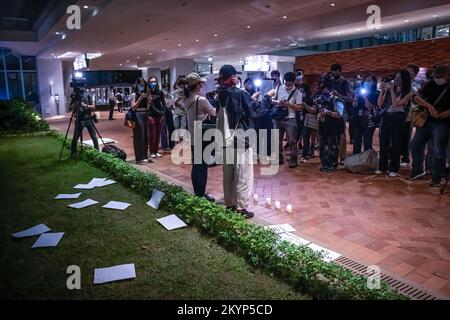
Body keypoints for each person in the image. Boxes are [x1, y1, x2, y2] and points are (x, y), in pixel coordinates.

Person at [215, 65, 263, 219]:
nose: (236, 78)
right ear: (232, 77)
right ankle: (241, 207)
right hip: (241, 139)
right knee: (243, 173)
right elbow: (255, 112)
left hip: (225, 139)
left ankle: (230, 204)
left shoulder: (219, 94)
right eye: (235, 75)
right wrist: (266, 98)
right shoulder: (240, 94)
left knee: (228, 173)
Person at [408, 64, 450, 187]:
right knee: (415, 144)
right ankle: (417, 170)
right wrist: (428, 105)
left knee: (438, 151)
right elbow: (416, 97)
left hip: (443, 123)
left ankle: (437, 177)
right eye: (436, 76)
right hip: (427, 122)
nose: (437, 79)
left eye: (440, 77)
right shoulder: (430, 84)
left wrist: (445, 113)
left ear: (447, 76)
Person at [182, 73, 217, 202]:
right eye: (201, 83)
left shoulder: (186, 99)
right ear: (197, 85)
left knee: (196, 165)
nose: (203, 85)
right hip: (202, 135)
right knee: (202, 166)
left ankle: (197, 192)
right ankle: (201, 194)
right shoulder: (201, 100)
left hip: (193, 134)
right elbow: (214, 112)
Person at [377, 70, 412, 177]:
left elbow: (396, 104)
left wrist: (391, 90)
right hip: (386, 117)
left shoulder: (409, 92)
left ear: (404, 80)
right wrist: (383, 91)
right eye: (396, 77)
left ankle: (393, 169)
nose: (396, 80)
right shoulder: (389, 89)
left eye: (399, 78)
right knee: (383, 143)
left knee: (396, 144)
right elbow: (379, 104)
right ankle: (382, 167)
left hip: (399, 118)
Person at [269, 72, 303, 168]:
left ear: (294, 82)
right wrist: (278, 102)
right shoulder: (279, 88)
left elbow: (300, 107)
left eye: (290, 83)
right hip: (277, 118)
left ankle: (293, 158)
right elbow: (271, 100)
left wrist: (289, 104)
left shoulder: (298, 92)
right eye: (286, 83)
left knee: (292, 140)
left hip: (290, 118)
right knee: (277, 139)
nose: (288, 85)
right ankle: (279, 157)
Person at [316, 74, 346, 173]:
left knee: (332, 146)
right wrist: (320, 114)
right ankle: (324, 163)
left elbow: (339, 114)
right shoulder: (322, 99)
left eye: (325, 88)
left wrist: (327, 112)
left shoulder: (337, 99)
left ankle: (332, 164)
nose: (323, 91)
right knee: (322, 146)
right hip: (323, 126)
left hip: (334, 127)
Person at [330, 64, 353, 164]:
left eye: (336, 71)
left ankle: (343, 157)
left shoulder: (345, 82)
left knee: (341, 135)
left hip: (341, 111)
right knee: (331, 134)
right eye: (333, 71)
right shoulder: (330, 82)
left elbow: (350, 98)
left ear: (340, 71)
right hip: (330, 109)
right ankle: (332, 154)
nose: (334, 73)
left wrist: (338, 95)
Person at [352, 74, 380, 154]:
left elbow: (369, 107)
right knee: (357, 141)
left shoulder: (376, 94)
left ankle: (367, 161)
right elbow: (354, 105)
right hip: (358, 119)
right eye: (365, 81)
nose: (366, 83)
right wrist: (356, 96)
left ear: (374, 83)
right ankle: (356, 161)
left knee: (367, 141)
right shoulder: (359, 92)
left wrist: (364, 96)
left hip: (369, 121)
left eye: (369, 81)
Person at [70, 86, 99, 157]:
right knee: (75, 137)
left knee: (94, 137)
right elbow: (70, 108)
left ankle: (97, 153)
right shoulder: (75, 96)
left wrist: (85, 105)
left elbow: (93, 107)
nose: (81, 89)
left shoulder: (88, 95)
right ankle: (73, 153)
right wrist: (75, 103)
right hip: (79, 119)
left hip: (89, 119)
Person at [130, 78, 151, 164]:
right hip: (137, 115)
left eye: (143, 84)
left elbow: (147, 108)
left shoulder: (146, 94)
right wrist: (140, 98)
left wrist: (149, 101)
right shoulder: (134, 94)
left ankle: (145, 155)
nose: (142, 86)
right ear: (137, 85)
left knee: (146, 136)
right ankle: (139, 158)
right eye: (140, 84)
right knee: (139, 136)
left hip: (145, 114)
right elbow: (133, 107)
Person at [147, 76, 166, 159]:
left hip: (160, 115)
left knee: (158, 134)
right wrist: (159, 112)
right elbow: (151, 105)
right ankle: (151, 151)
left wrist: (163, 113)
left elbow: (163, 102)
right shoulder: (148, 93)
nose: (153, 83)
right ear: (149, 83)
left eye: (154, 81)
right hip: (151, 115)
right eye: (151, 82)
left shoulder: (160, 92)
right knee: (152, 134)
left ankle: (156, 151)